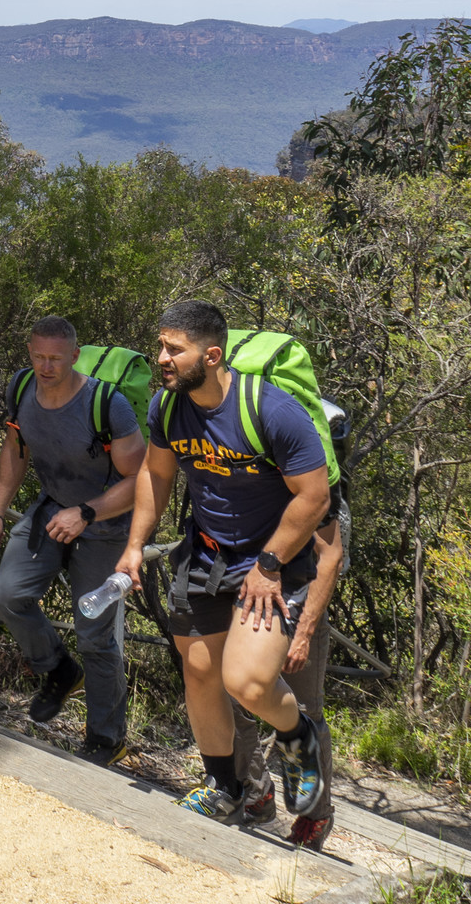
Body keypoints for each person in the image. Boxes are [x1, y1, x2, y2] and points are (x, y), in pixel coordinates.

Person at [115, 298, 331, 823]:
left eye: (174, 349)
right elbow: (157, 474)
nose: (161, 358)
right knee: (200, 673)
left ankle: (298, 737)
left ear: (211, 355)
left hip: (271, 564)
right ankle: (222, 786)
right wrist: (134, 546)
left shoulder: (273, 410)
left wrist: (269, 565)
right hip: (206, 555)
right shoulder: (167, 407)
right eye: (160, 345)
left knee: (248, 683)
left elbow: (315, 498)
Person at [0, 315, 144, 765]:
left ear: (75, 355)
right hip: (53, 509)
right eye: (38, 357)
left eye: (56, 358)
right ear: (28, 352)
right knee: (7, 593)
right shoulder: (21, 388)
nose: (46, 366)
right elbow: (15, 449)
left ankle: (106, 739)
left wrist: (87, 512)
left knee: (95, 636)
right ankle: (58, 670)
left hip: (106, 525)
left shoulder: (106, 404)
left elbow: (141, 480)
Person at [237, 504, 348, 849]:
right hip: (251, 600)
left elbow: (330, 561)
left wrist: (304, 632)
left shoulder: (319, 486)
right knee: (233, 692)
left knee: (304, 711)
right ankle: (256, 792)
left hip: (300, 606)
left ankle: (316, 814)